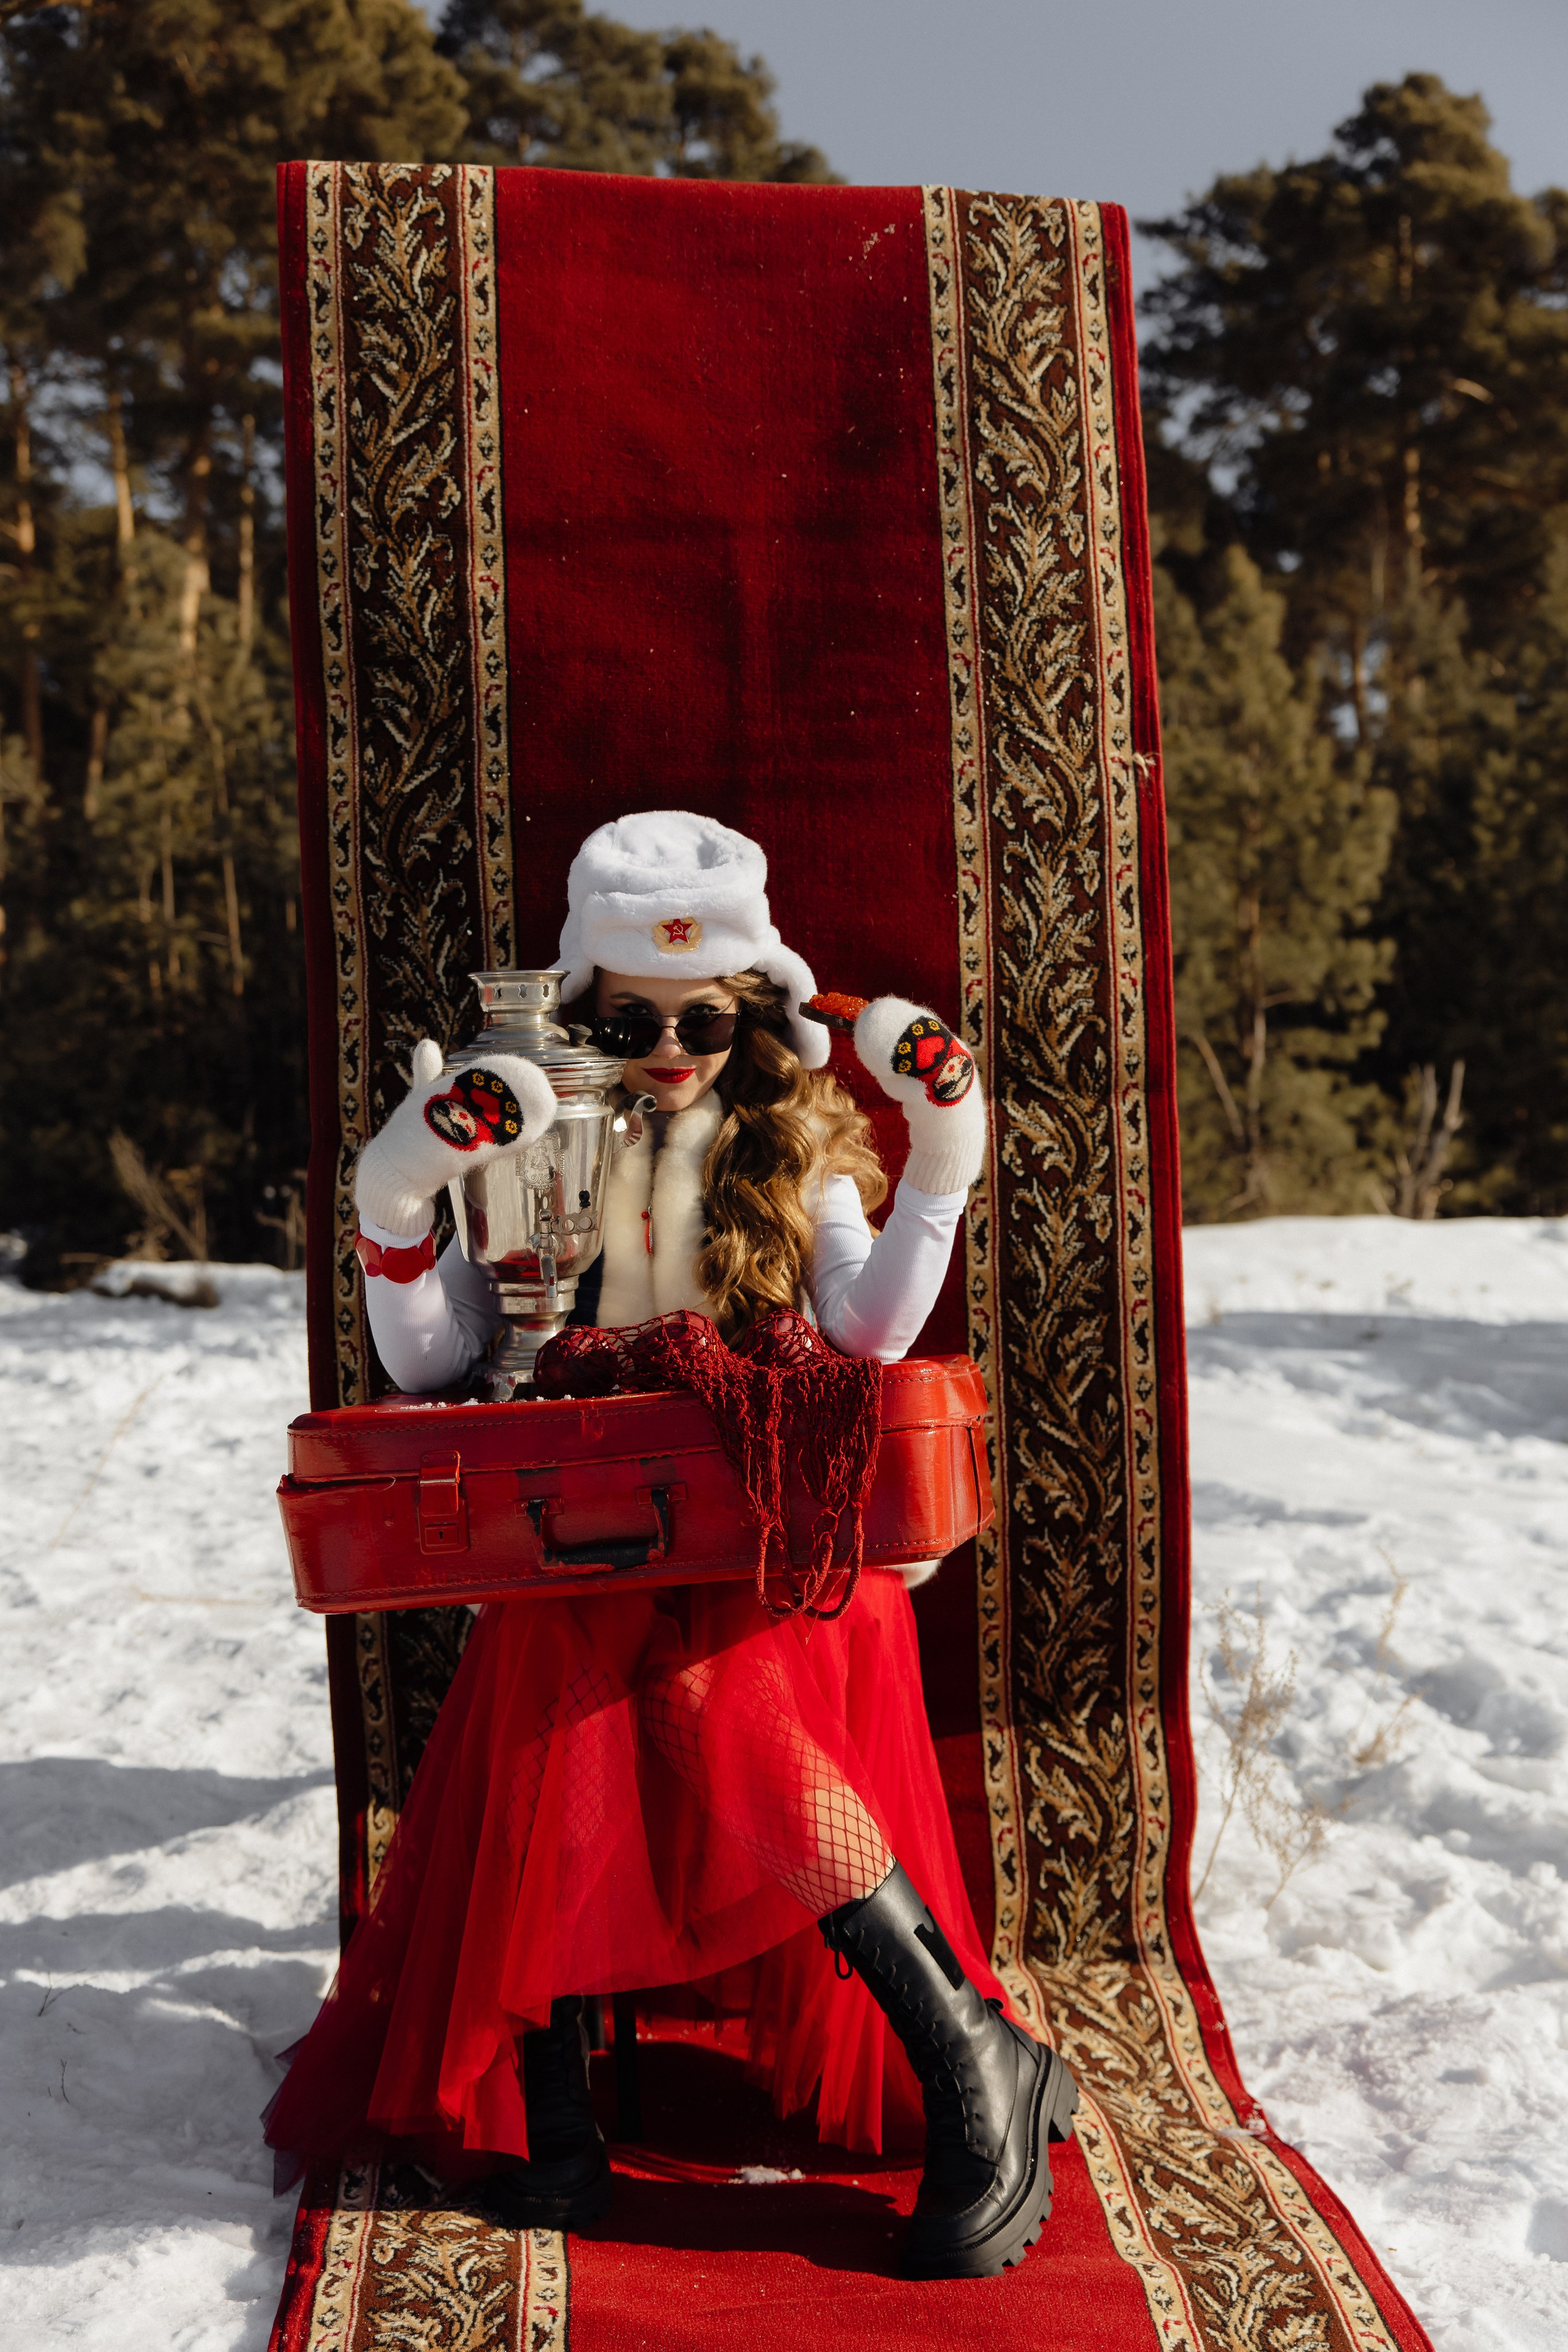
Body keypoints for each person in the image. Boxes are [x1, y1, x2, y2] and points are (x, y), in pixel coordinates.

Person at [266, 811, 1077, 2280]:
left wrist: (938, 1159)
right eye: (633, 1018)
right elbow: (437, 1362)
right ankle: (557, 2083)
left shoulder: (786, 1139)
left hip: (766, 1528)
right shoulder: (534, 1129)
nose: (671, 1047)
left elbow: (868, 1333)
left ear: (752, 1007)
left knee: (667, 1680)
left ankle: (958, 2040)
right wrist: (399, 1209)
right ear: (581, 1008)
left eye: (703, 1018)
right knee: (560, 1637)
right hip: (586, 1523)